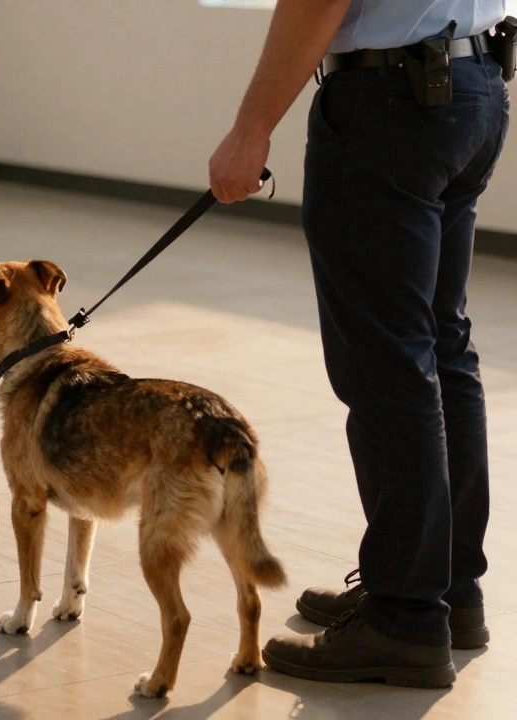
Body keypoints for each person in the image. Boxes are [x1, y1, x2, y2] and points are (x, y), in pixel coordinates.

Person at [210, 0, 510, 688]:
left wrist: (251, 129)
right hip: (476, 85)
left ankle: (405, 618)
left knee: (390, 367)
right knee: (440, 349)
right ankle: (446, 592)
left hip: (391, 105)